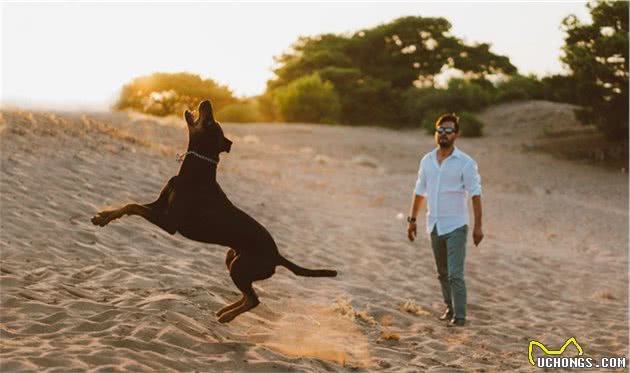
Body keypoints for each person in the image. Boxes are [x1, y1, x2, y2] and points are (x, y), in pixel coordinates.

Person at [407, 113, 484, 327]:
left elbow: (476, 194)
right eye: (440, 130)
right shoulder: (427, 160)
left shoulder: (465, 163)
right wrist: (412, 219)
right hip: (434, 224)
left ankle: (460, 318)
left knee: (455, 273)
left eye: (449, 130)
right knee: (442, 273)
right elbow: (419, 191)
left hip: (456, 225)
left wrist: (478, 227)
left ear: (456, 135)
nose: (443, 134)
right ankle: (449, 307)